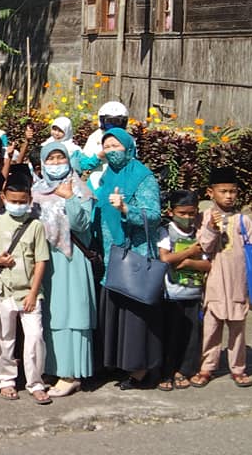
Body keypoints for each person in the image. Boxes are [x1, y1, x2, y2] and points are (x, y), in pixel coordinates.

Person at [93, 128, 163, 389]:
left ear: (128, 147)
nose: (112, 151)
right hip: (111, 256)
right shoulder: (107, 176)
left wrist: (125, 208)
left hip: (134, 254)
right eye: (107, 147)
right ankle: (116, 366)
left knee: (134, 318)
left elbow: (153, 215)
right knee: (114, 315)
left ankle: (140, 371)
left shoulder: (142, 177)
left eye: (116, 146)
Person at [192, 167, 252, 389]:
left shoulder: (243, 221)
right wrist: (211, 228)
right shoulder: (203, 218)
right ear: (210, 192)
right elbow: (202, 248)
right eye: (223, 191)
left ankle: (238, 369)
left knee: (237, 330)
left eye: (233, 191)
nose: (229, 196)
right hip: (214, 284)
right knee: (211, 328)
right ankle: (207, 368)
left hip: (238, 283)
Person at [31, 142, 96, 398]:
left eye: (61, 158)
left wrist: (69, 198)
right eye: (51, 158)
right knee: (48, 315)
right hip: (44, 260)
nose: (56, 163)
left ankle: (71, 374)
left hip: (71, 258)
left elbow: (82, 224)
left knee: (71, 315)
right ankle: (52, 368)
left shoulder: (80, 188)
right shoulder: (37, 190)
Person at [0, 183, 51, 404]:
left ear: (30, 199)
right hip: (2, 291)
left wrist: (33, 292)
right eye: (13, 201)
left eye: (22, 202)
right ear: (3, 198)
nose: (18, 205)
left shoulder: (36, 226)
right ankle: (6, 380)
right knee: (5, 339)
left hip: (29, 293)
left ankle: (35, 382)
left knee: (35, 338)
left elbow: (41, 260)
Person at [155, 190, 209, 392]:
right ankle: (166, 372)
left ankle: (183, 371)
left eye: (191, 213)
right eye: (182, 213)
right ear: (171, 212)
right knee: (171, 335)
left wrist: (187, 262)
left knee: (191, 336)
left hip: (194, 294)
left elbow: (208, 264)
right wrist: (190, 252)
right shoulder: (165, 232)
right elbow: (165, 258)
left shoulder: (199, 233)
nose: (187, 218)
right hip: (172, 295)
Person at [78, 102, 130, 190]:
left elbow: (133, 162)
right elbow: (84, 165)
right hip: (96, 184)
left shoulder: (128, 139)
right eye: (109, 122)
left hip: (121, 183)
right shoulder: (95, 137)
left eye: (117, 121)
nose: (113, 126)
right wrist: (100, 156)